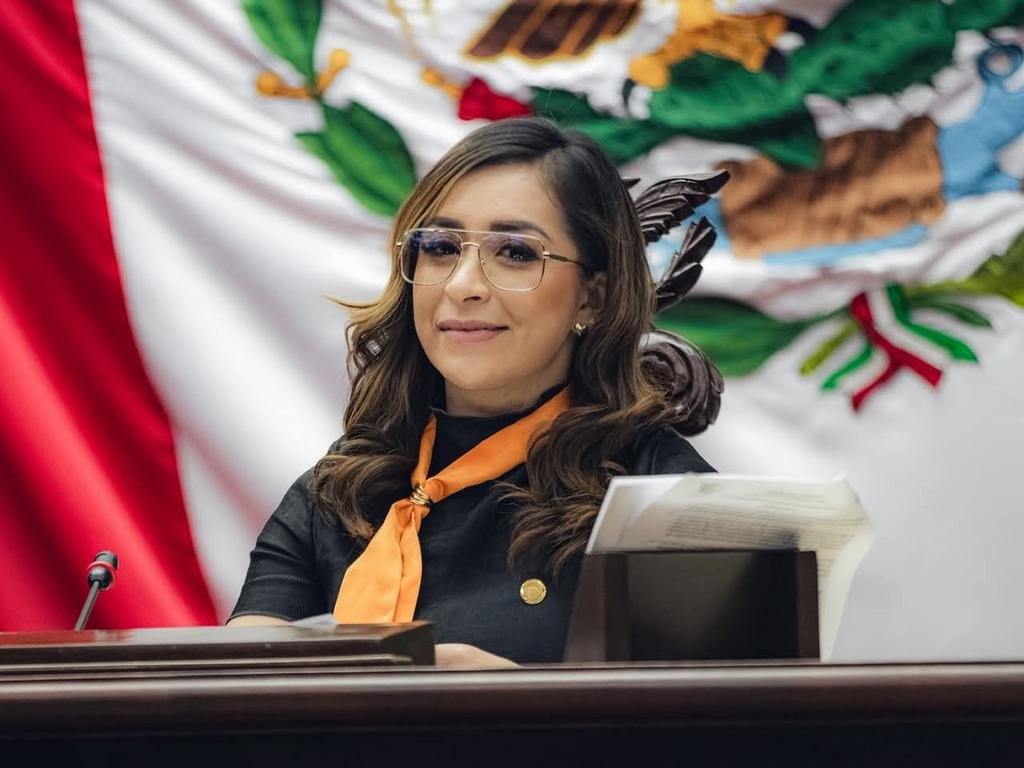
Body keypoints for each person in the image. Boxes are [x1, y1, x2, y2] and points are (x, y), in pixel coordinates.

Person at [227, 117, 715, 667]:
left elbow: (719, 713)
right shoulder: (338, 492)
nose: (462, 286)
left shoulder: (665, 495)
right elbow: (243, 684)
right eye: (440, 247)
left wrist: (516, 702)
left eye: (516, 253)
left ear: (592, 297)